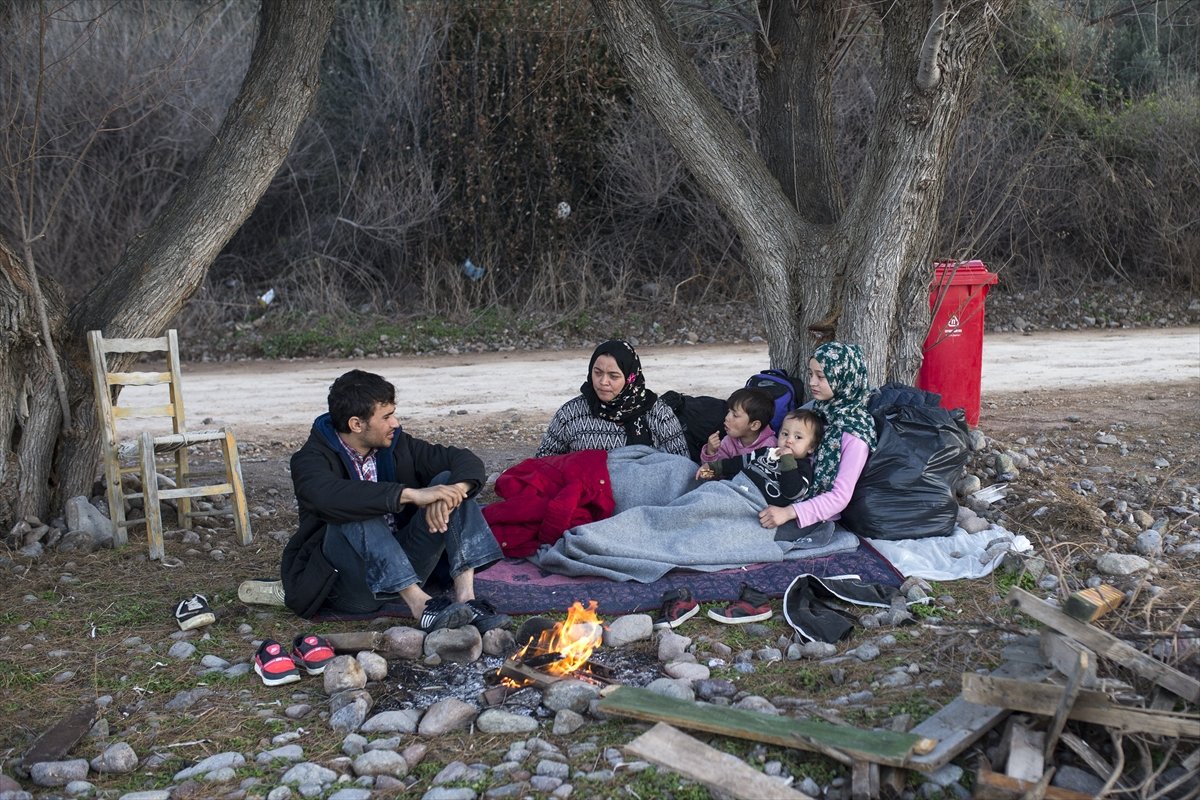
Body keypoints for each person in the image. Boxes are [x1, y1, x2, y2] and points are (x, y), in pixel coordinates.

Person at [270, 369, 508, 632]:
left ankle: (467, 600)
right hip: (352, 587)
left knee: (449, 481)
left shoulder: (396, 444)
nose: (395, 423)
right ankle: (422, 607)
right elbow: (326, 496)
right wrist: (412, 495)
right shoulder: (309, 459)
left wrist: (451, 492)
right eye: (386, 416)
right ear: (356, 424)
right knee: (351, 505)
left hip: (406, 567)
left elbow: (465, 460)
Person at [757, 341, 878, 532]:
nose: (812, 382)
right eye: (811, 374)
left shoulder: (854, 433)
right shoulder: (818, 409)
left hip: (805, 513)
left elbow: (839, 497)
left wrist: (788, 512)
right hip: (780, 487)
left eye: (821, 376)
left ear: (843, 378)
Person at [535, 339, 688, 458]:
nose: (603, 382)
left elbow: (681, 465)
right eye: (597, 372)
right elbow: (543, 460)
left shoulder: (658, 414)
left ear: (630, 378)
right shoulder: (570, 414)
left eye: (613, 376)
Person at [697, 409, 823, 507]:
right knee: (704, 494)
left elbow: (792, 492)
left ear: (811, 447)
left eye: (798, 437)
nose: (789, 440)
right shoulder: (768, 451)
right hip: (734, 487)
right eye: (785, 434)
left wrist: (788, 459)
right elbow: (736, 463)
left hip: (754, 503)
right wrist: (710, 469)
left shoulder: (804, 468)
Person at [698, 387, 777, 464]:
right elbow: (711, 473)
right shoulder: (728, 441)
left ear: (754, 425)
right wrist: (711, 452)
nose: (727, 418)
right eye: (729, 412)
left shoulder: (769, 446)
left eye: (735, 415)